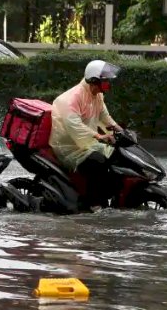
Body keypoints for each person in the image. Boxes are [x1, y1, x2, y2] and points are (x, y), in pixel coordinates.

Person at [49, 59, 124, 211]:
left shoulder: (96, 95)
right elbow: (75, 127)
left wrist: (119, 130)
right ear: (95, 81)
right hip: (69, 147)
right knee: (98, 161)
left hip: (86, 144)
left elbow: (104, 117)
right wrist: (99, 136)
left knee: (118, 156)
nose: (108, 84)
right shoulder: (71, 99)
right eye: (105, 81)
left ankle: (108, 196)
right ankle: (93, 203)